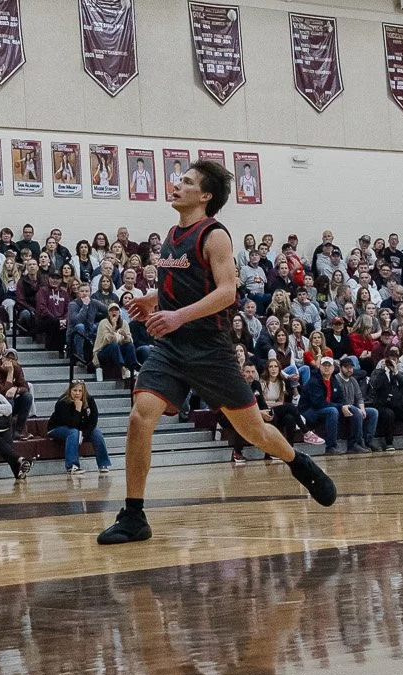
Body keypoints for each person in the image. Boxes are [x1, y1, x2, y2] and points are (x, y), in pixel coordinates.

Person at [98, 161, 336, 545]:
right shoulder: (173, 234)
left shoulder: (216, 236)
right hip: (171, 348)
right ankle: (134, 515)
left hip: (210, 349)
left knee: (253, 430)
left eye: (187, 182)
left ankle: (297, 460)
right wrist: (153, 298)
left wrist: (176, 315)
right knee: (140, 418)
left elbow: (227, 292)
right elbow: (186, 286)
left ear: (205, 196)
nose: (177, 185)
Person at [48, 377, 112, 481]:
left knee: (97, 432)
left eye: (80, 391)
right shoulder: (62, 402)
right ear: (70, 391)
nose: (77, 393)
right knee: (73, 432)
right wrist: (77, 409)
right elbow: (71, 424)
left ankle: (103, 464)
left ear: (84, 392)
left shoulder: (90, 400)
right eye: (74, 390)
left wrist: (84, 434)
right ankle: (72, 466)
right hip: (57, 428)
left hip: (79, 429)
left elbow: (93, 421)